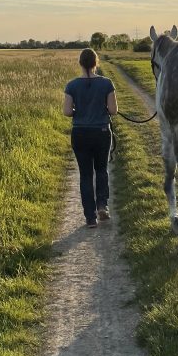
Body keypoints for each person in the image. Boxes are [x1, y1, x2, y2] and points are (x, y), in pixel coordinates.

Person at [63, 48, 118, 227]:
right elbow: (113, 111)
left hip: (80, 133)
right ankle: (102, 205)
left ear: (80, 63)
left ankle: (90, 218)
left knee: (85, 175)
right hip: (101, 131)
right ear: (96, 63)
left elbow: (66, 112)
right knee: (101, 170)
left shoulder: (71, 85)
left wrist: (79, 110)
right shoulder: (107, 83)